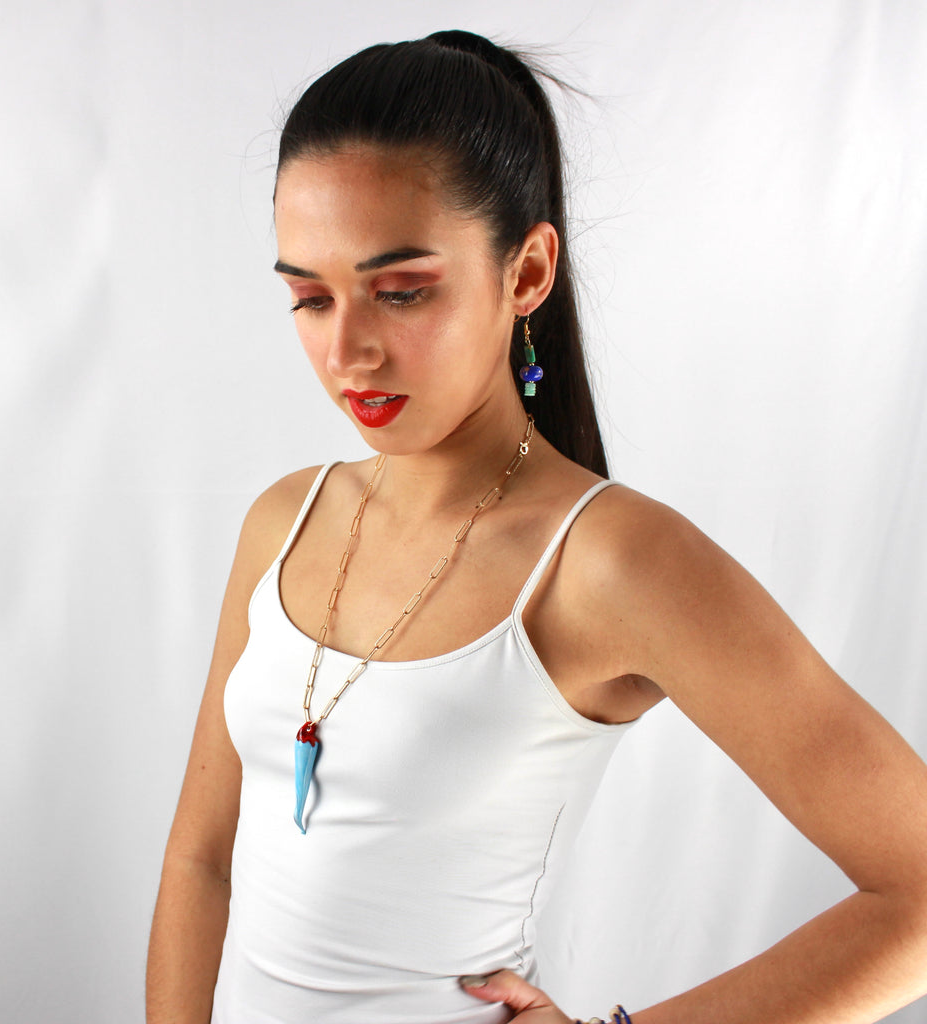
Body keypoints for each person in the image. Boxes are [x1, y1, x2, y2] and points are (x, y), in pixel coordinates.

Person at [145, 30, 927, 1024]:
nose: (347, 351)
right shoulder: (284, 521)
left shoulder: (608, 561)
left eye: (401, 291)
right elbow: (202, 860)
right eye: (309, 296)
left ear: (526, 273)